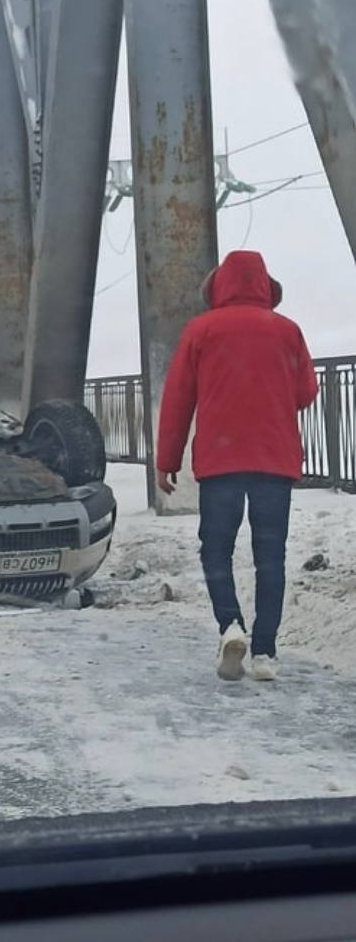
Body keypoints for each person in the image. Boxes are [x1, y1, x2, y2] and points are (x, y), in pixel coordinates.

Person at [155, 250, 318, 683]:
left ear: (220, 287)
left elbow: (177, 401)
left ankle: (230, 625)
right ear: (265, 286)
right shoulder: (288, 331)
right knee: (270, 556)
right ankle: (265, 652)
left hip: (221, 460)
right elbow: (306, 392)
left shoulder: (201, 331)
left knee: (216, 549)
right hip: (274, 459)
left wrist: (165, 462)